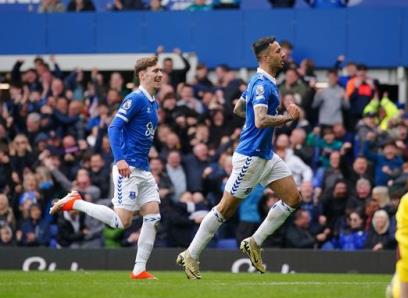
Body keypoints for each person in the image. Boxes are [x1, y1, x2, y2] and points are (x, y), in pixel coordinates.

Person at [176, 36, 302, 279]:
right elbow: (260, 120)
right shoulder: (262, 85)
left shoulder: (261, 82)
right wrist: (288, 117)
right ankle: (191, 254)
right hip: (250, 158)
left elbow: (237, 109)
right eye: (278, 51)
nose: (283, 54)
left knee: (294, 199)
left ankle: (254, 242)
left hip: (265, 155)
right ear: (266, 57)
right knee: (225, 209)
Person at [50, 56, 163, 280]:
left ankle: (139, 270)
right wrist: (120, 159)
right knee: (122, 222)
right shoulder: (136, 98)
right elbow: (114, 127)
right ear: (142, 75)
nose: (160, 74)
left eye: (161, 71)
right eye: (155, 71)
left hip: (144, 169)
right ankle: (76, 203)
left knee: (153, 215)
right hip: (128, 167)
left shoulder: (153, 102)